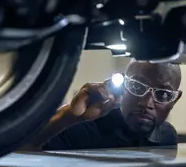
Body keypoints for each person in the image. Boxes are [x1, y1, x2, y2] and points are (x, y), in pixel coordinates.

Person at [23, 59, 183, 150]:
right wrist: (68, 116)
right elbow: (18, 150)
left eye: (163, 94)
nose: (146, 103)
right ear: (123, 86)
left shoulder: (167, 137)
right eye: (137, 87)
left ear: (174, 100)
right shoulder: (81, 128)